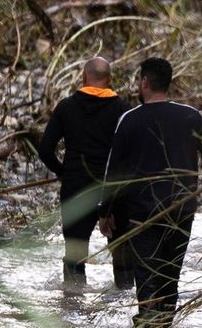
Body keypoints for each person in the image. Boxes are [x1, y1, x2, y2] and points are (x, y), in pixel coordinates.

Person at [100, 57, 202, 328]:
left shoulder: (130, 119)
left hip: (144, 213)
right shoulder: (191, 116)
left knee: (147, 276)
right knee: (170, 276)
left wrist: (105, 212)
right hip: (181, 209)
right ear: (169, 82)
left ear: (145, 82)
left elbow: (114, 171)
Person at [31, 56, 132, 293]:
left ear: (84, 77)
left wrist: (64, 172)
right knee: (121, 250)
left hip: (76, 187)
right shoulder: (123, 109)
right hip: (113, 188)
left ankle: (73, 308)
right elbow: (130, 155)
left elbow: (45, 150)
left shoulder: (66, 107)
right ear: (110, 80)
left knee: (75, 252)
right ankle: (124, 301)